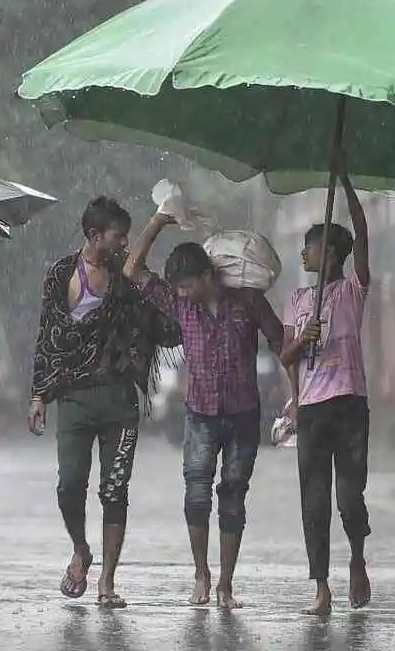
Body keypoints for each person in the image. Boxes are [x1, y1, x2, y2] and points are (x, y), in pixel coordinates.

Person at [27, 196, 183, 609]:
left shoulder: (125, 279)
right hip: (74, 400)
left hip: (119, 399)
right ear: (95, 236)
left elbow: (162, 323)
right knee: (69, 486)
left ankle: (107, 581)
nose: (122, 243)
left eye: (126, 237)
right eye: (117, 237)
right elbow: (48, 337)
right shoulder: (61, 274)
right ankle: (81, 549)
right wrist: (39, 394)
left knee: (115, 491)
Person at [123, 213, 284, 609]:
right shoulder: (182, 308)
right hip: (199, 414)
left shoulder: (248, 302)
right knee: (196, 496)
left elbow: (283, 344)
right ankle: (201, 574)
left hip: (244, 415)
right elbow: (132, 269)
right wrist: (160, 219)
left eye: (185, 285)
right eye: (176, 288)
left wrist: (297, 396)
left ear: (207, 276)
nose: (179, 293)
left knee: (233, 496)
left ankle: (226, 584)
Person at [278, 169, 372, 616]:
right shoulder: (297, 300)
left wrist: (346, 182)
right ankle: (320, 587)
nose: (303, 252)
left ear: (331, 253)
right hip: (313, 410)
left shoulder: (353, 290)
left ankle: (357, 557)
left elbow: (363, 233)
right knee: (313, 503)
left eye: (310, 245)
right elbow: (286, 357)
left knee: (349, 499)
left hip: (350, 405)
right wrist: (303, 337)